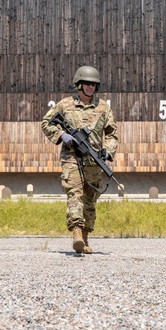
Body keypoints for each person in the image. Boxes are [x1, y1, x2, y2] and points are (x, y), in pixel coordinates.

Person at [41, 65, 118, 254]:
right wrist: (62, 136)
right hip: (72, 158)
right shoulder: (65, 105)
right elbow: (46, 122)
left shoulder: (103, 107)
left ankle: (84, 237)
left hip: (93, 161)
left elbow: (112, 134)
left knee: (90, 200)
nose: (90, 87)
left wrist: (107, 151)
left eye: (93, 85)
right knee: (74, 194)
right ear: (79, 85)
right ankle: (76, 232)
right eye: (87, 84)